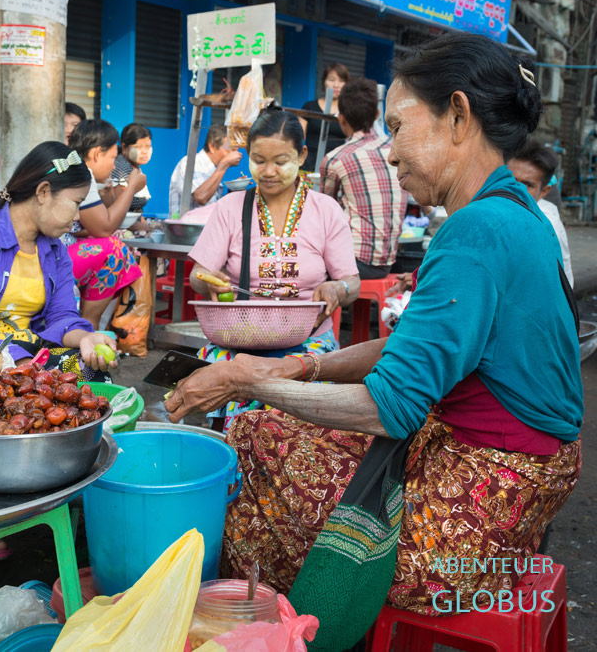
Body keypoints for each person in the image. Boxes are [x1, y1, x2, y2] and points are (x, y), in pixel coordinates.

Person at [166, 33, 581, 648]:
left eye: (399, 127)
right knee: (267, 430)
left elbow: (389, 408)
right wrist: (304, 371)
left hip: (476, 520)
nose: (389, 154)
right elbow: (411, 350)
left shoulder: (479, 231)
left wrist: (246, 378)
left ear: (459, 117)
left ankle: (281, 630)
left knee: (254, 447)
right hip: (516, 484)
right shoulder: (514, 211)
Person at [187, 105, 360, 431]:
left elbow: (352, 281)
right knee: (239, 437)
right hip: (239, 344)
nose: (268, 171)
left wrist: (338, 289)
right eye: (258, 160)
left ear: (302, 155)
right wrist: (211, 281)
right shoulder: (230, 207)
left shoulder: (325, 210)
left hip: (308, 345)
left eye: (281, 162)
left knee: (298, 439)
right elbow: (198, 274)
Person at [0, 141, 118, 381]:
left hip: (32, 356)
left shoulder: (56, 250)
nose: (78, 216)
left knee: (93, 370)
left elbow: (63, 316)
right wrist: (18, 360)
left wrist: (84, 338)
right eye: (76, 203)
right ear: (43, 192)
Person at [319, 78, 410, 279]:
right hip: (388, 262)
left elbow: (324, 212)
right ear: (377, 114)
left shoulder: (336, 159)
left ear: (341, 119)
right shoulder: (396, 150)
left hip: (354, 263)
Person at [65, 119, 146, 329]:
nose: (113, 164)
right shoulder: (83, 173)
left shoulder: (71, 166)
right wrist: (131, 188)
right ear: (96, 153)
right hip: (53, 257)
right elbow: (104, 227)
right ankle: (89, 325)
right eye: (112, 157)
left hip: (51, 252)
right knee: (115, 249)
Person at [509, 138, 574, 286]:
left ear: (544, 191)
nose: (516, 189)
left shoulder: (546, 227)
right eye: (511, 180)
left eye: (528, 185)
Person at [168, 124, 243, 217]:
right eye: (231, 150)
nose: (236, 154)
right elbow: (201, 197)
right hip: (187, 230)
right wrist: (224, 165)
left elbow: (213, 207)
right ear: (212, 147)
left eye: (236, 150)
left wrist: (234, 189)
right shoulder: (190, 163)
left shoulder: (213, 169)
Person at [298, 63, 350, 172]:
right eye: (331, 79)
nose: (336, 85)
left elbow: (353, 140)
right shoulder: (309, 107)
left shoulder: (348, 111)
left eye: (341, 81)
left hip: (336, 166)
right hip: (309, 166)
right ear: (324, 82)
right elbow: (298, 136)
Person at [107, 123, 153, 221]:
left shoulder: (134, 166)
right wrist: (146, 228)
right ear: (124, 147)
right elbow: (118, 206)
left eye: (148, 146)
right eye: (139, 147)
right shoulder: (121, 168)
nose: (145, 151)